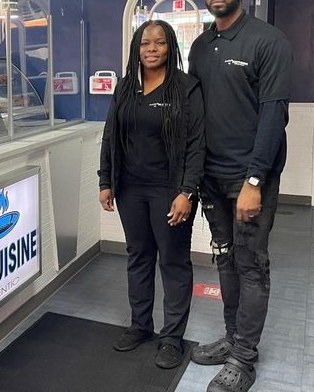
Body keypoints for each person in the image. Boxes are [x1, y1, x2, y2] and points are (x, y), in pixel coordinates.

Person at [187, 0, 293, 391]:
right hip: (211, 178)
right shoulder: (200, 45)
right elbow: (194, 113)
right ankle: (232, 339)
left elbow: (274, 114)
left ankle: (244, 359)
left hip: (249, 181)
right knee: (226, 259)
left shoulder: (269, 41)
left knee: (252, 266)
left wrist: (254, 181)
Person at [98, 20, 205, 369]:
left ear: (171, 47)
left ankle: (172, 338)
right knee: (138, 257)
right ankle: (141, 326)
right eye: (145, 43)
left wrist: (187, 191)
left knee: (173, 262)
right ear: (136, 47)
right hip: (130, 189)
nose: (152, 49)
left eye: (159, 43)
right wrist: (106, 181)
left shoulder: (186, 88)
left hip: (169, 190)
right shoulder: (126, 87)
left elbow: (196, 145)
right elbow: (110, 136)